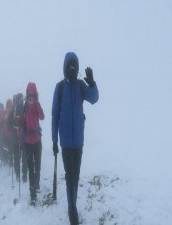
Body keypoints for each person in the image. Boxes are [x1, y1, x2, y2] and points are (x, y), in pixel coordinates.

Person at [52, 52, 99, 225]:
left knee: (76, 176)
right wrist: (54, 141)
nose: (72, 69)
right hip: (65, 143)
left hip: (78, 142)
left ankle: (73, 204)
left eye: (74, 66)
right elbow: (54, 116)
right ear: (65, 67)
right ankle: (72, 209)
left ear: (77, 68)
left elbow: (94, 99)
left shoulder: (80, 86)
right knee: (70, 175)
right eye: (69, 66)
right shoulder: (60, 88)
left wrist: (92, 83)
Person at [23, 82, 44, 205]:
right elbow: (20, 122)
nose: (30, 96)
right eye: (29, 94)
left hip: (37, 139)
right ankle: (32, 195)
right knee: (31, 168)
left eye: (33, 94)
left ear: (35, 94)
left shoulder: (37, 105)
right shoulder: (24, 107)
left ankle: (36, 184)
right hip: (27, 141)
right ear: (27, 93)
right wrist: (20, 130)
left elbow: (42, 117)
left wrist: (35, 104)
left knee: (38, 166)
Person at [8, 93, 28, 182]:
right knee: (23, 156)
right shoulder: (23, 108)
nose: (22, 101)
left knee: (18, 156)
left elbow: (8, 123)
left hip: (16, 137)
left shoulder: (14, 109)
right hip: (21, 137)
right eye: (21, 99)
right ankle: (22, 175)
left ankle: (19, 175)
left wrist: (12, 129)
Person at [1, 99, 13, 166]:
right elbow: (1, 121)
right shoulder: (8, 112)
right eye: (9, 103)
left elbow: (1, 122)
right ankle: (9, 159)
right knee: (7, 147)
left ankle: (9, 159)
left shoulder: (6, 112)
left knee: (8, 147)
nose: (9, 105)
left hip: (9, 133)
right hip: (8, 133)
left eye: (10, 103)